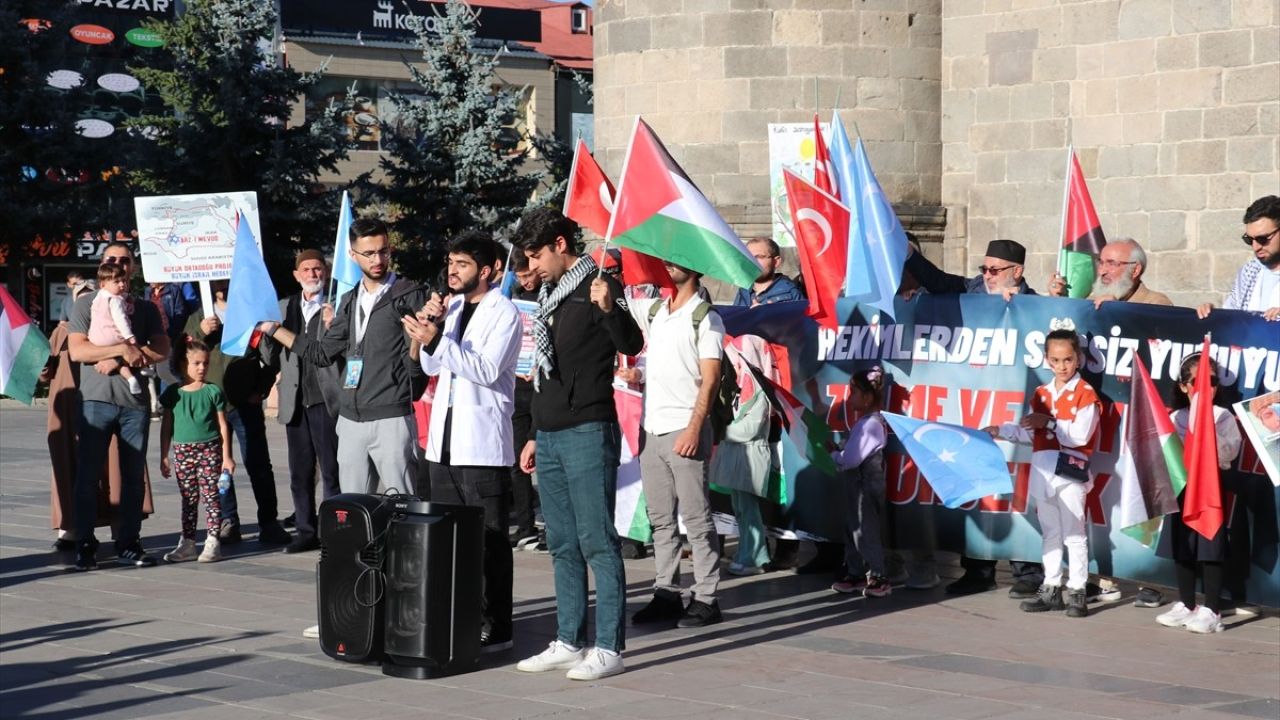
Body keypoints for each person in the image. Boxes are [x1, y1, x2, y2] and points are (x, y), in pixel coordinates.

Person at [511, 208, 644, 681]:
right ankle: (569, 639)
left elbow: (632, 339)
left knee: (597, 541)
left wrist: (610, 307)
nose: (532, 267)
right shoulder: (548, 297)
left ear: (561, 245)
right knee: (562, 542)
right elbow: (542, 375)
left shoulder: (599, 287)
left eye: (537, 255)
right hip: (548, 434)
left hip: (588, 429)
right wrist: (532, 435)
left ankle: (609, 646)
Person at [402, 231, 523, 652]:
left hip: (481, 445)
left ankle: (498, 624)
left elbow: (487, 370)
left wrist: (436, 340)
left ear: (487, 270)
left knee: (488, 541)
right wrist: (428, 331)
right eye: (450, 263)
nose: (452, 271)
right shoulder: (452, 308)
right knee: (449, 539)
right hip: (443, 443)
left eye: (463, 264)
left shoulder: (504, 313)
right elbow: (435, 364)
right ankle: (460, 615)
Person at [906, 238, 1045, 596]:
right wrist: (909, 255)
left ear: (1018, 272)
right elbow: (937, 282)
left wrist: (1023, 309)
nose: (987, 276)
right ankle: (977, 569)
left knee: (1015, 489)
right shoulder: (970, 289)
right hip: (974, 405)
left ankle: (1027, 570)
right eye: (984, 268)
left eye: (995, 270)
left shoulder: (1035, 304)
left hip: (1014, 408)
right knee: (977, 483)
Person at [257, 217, 428, 496]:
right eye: (369, 253)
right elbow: (321, 353)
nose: (378, 259)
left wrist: (421, 342)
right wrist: (273, 329)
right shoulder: (349, 300)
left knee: (402, 505)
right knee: (354, 511)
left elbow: (418, 365)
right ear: (353, 255)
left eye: (383, 251)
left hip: (391, 416)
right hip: (349, 420)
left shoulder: (409, 295)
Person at [623, 261, 727, 629]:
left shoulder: (705, 316)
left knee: (697, 519)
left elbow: (710, 378)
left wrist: (695, 427)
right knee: (661, 521)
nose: (670, 265)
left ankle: (706, 596)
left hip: (686, 429)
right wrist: (639, 373)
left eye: (679, 260)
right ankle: (666, 591)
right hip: (653, 430)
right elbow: (616, 302)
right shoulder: (657, 312)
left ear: (695, 267)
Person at [985, 325, 1100, 619]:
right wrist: (1001, 430)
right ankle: (1050, 588)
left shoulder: (1085, 394)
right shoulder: (1041, 393)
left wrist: (1047, 423)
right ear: (1047, 360)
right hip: (1044, 471)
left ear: (1078, 359)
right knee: (1050, 532)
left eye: (1068, 360)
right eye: (1056, 360)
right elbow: (1028, 434)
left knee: (1074, 535)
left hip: (1070, 473)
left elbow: (1079, 436)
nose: (1062, 366)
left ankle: (1077, 591)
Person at [67, 242, 170, 570]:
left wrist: (126, 357)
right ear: (103, 266)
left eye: (125, 261)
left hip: (133, 403)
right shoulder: (87, 304)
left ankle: (128, 542)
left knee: (132, 477)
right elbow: (78, 352)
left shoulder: (145, 309)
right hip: (96, 400)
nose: (119, 265)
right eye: (112, 260)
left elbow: (162, 349)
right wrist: (118, 353)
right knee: (88, 475)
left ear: (133, 268)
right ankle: (85, 541)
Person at [185, 281, 291, 546]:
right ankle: (227, 521)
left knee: (259, 464)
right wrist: (200, 331)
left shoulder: (250, 314)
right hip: (211, 406)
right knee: (219, 467)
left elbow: (270, 354)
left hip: (245, 403)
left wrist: (262, 388)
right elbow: (182, 354)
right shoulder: (199, 316)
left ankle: (268, 521)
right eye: (215, 279)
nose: (221, 282)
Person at [1154, 354, 1244, 634]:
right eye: (1198, 382)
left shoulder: (1222, 416)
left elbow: (1231, 451)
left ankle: (1212, 610)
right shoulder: (1175, 417)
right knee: (1182, 545)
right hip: (1181, 488)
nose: (1206, 387)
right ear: (1183, 386)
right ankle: (1187, 603)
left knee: (1209, 546)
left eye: (1212, 381)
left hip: (1209, 489)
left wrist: (1207, 432)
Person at [261, 250, 342, 554]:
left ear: (325, 272)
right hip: (295, 401)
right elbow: (270, 359)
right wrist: (268, 334)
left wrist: (335, 324)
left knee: (332, 470)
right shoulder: (283, 308)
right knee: (300, 471)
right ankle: (306, 531)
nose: (312, 274)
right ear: (296, 275)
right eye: (306, 270)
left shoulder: (337, 306)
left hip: (326, 399)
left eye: (317, 269)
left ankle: (334, 531)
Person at [159, 340, 235, 563]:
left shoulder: (212, 391)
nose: (202, 368)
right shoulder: (173, 394)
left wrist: (227, 456)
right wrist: (165, 454)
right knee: (189, 498)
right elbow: (166, 427)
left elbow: (222, 425)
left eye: (205, 363)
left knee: (211, 497)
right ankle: (188, 542)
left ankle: (213, 540)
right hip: (183, 451)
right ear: (183, 364)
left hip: (209, 450)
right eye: (196, 363)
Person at [711, 334, 777, 577]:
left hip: (751, 457)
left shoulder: (759, 393)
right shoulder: (738, 389)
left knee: (749, 510)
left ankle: (756, 556)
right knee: (740, 509)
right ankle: (746, 553)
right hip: (738, 458)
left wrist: (721, 430)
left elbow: (749, 429)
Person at [830, 367, 892, 598]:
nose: (849, 398)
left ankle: (879, 576)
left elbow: (852, 460)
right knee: (852, 529)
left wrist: (834, 456)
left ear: (867, 398)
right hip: (856, 489)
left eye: (853, 392)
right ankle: (855, 572)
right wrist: (839, 449)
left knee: (866, 531)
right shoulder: (865, 423)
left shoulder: (871, 425)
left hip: (865, 488)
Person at [1197, 195, 1280, 322]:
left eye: (1262, 239)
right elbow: (1232, 315)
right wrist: (1212, 314)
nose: (1255, 247)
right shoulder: (1249, 271)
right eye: (1249, 240)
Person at [508, 253, 542, 550]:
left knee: (544, 460)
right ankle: (525, 523)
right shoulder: (514, 300)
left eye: (528, 274)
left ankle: (551, 524)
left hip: (542, 388)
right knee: (518, 459)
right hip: (518, 387)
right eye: (519, 277)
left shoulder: (551, 293)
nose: (525, 281)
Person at [1047, 238, 1173, 307]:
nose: (1102, 271)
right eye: (1101, 262)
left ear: (1135, 270)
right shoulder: (1091, 301)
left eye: (1112, 264)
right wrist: (1057, 302)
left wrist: (1116, 311)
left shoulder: (1157, 303)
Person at [87, 262, 147, 396]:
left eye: (123, 281)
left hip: (96, 338)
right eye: (117, 282)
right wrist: (129, 336)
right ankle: (142, 365)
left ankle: (131, 378)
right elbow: (120, 319)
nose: (122, 285)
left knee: (117, 360)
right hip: (112, 335)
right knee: (131, 348)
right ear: (103, 284)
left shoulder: (100, 296)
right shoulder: (116, 300)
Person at [735, 237, 804, 307]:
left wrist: (768, 314)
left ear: (776, 262)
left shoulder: (790, 292)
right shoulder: (743, 291)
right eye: (748, 257)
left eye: (759, 257)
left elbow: (800, 317)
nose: (752, 262)